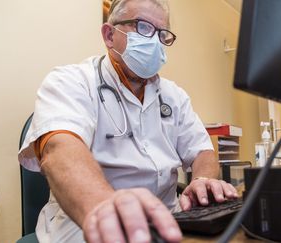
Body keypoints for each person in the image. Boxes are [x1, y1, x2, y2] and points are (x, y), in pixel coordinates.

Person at [18, 0, 239, 242]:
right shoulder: (71, 81)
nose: (154, 41)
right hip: (89, 218)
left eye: (161, 33)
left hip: (169, 217)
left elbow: (202, 151)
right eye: (142, 27)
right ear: (109, 35)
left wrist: (202, 180)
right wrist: (104, 206)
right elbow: (59, 150)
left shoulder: (174, 96)